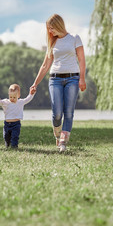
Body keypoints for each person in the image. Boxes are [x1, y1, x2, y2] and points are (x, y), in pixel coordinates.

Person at [30, 14, 86, 152]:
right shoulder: (53, 42)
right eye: (48, 29)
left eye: (51, 28)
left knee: (68, 112)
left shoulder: (74, 38)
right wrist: (35, 84)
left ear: (58, 25)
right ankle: (57, 134)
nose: (50, 31)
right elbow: (45, 65)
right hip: (55, 79)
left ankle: (63, 143)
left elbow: (82, 59)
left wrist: (82, 78)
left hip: (73, 78)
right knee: (57, 114)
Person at [0, 84, 35, 149]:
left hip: (16, 124)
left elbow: (27, 99)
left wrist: (31, 94)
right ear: (8, 95)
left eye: (14, 97)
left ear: (18, 95)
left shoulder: (20, 102)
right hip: (7, 124)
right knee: (6, 136)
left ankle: (14, 146)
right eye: (10, 97)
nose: (12, 99)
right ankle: (7, 145)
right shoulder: (6, 102)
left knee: (15, 136)